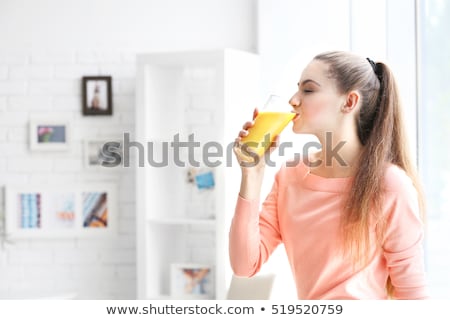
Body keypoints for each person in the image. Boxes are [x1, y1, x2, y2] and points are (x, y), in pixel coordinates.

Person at [230, 51, 428, 299]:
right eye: (297, 89)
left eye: (308, 90)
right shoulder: (290, 175)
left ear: (349, 102)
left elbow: (414, 297)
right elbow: (244, 265)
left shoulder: (390, 185)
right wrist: (252, 174)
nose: (293, 100)